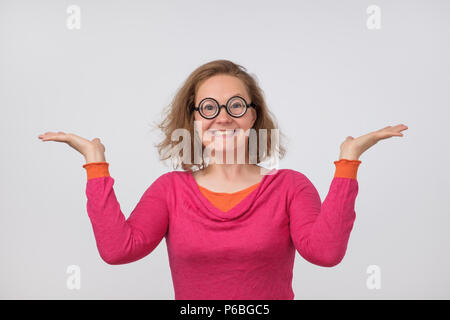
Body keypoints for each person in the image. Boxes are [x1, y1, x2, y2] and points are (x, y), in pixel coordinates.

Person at [37, 59, 408, 300]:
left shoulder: (290, 187)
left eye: (235, 106)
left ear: (253, 117)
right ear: (194, 120)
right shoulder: (171, 191)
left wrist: (348, 162)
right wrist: (95, 164)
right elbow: (118, 250)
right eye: (209, 108)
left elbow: (325, 254)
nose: (223, 118)